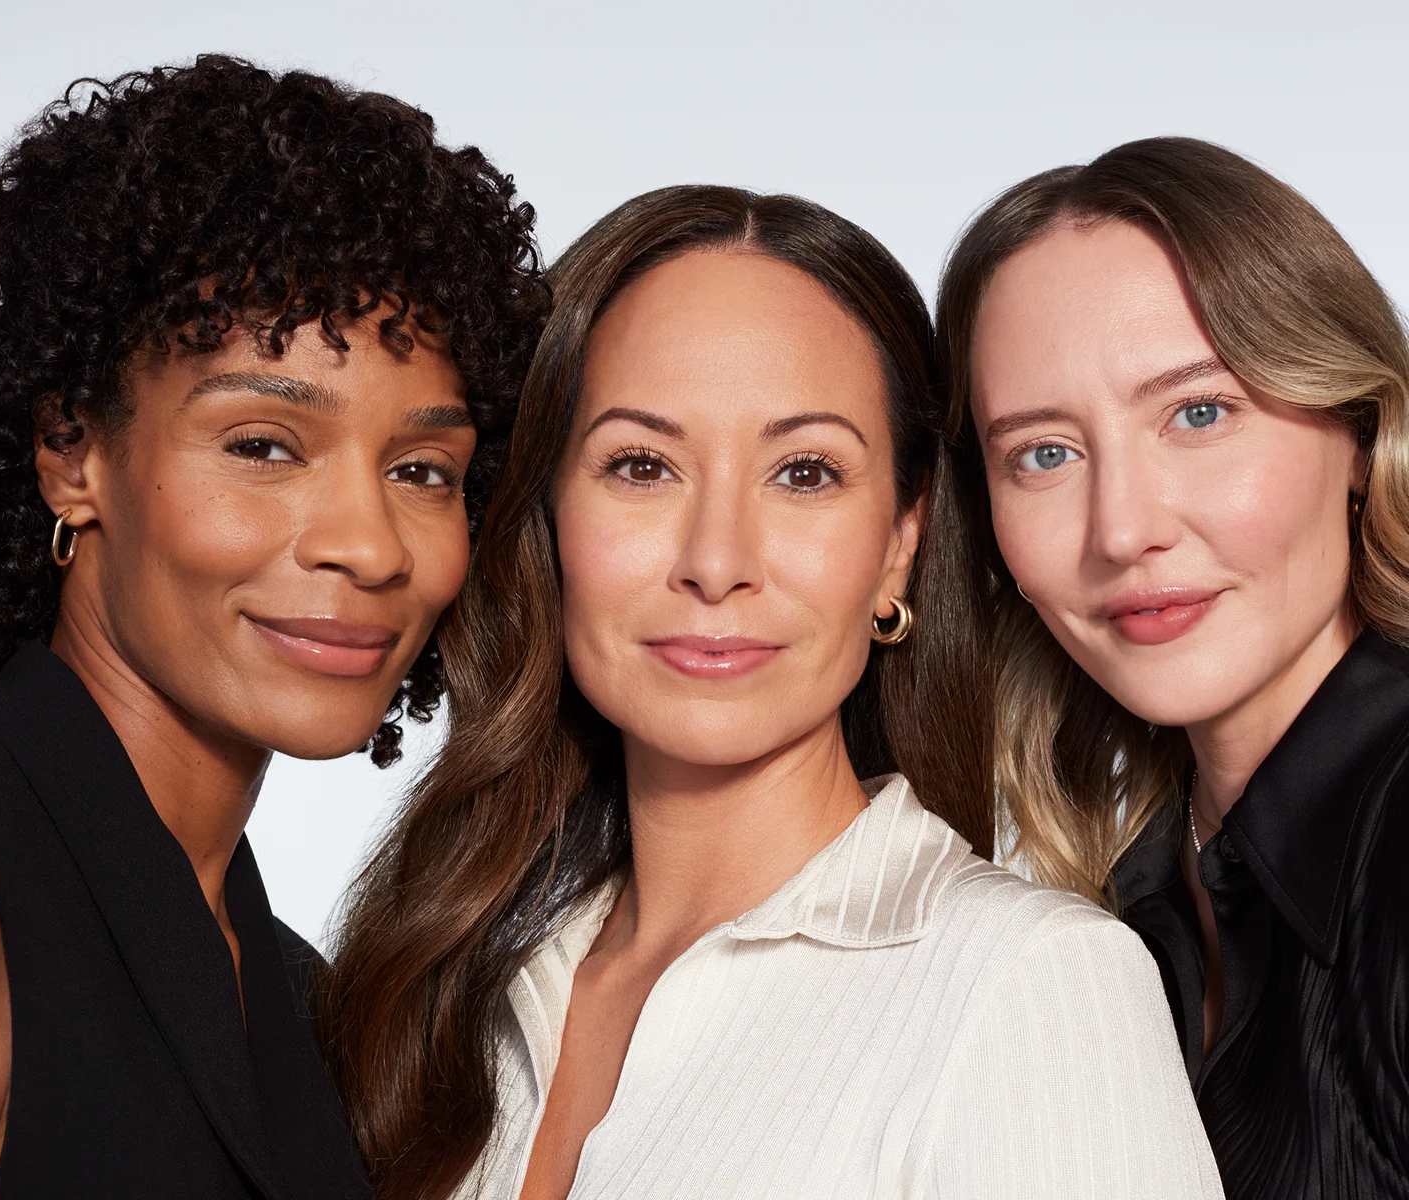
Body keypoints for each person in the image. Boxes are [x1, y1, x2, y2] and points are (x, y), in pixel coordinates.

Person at [321, 185, 1221, 1200]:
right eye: (641, 465)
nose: (717, 561)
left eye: (804, 473)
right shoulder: (451, 991)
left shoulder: (1031, 989)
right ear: (548, 515)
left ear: (899, 544)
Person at [0, 56, 543, 1199]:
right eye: (264, 447)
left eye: (423, 469)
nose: (370, 546)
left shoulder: (292, 993)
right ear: (73, 453)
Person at [936, 135, 1409, 1198]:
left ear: (1359, 432)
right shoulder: (1144, 897)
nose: (1123, 530)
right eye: (1043, 453)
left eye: (1199, 413)